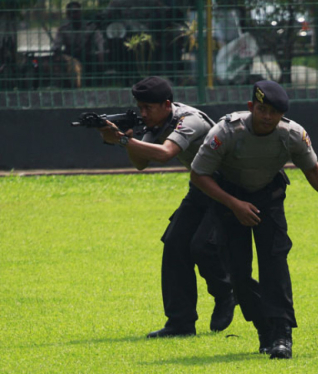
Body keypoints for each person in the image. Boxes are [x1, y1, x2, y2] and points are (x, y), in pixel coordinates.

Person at [190, 80, 318, 359]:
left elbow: (313, 170)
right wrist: (234, 205)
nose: (267, 117)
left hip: (268, 198)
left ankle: (281, 335)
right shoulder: (226, 132)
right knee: (238, 276)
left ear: (282, 114)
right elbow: (198, 175)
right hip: (229, 199)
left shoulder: (292, 134)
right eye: (262, 109)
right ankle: (263, 329)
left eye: (274, 112)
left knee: (274, 265)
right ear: (251, 107)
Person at [98, 76, 235, 338]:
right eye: (140, 107)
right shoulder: (156, 121)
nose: (143, 113)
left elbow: (165, 153)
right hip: (200, 187)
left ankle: (225, 292)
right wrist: (125, 136)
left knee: (201, 246)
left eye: (148, 108)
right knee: (174, 244)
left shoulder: (189, 119)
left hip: (227, 186)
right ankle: (180, 323)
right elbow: (141, 163)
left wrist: (122, 141)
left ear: (167, 104)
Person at [52, 2, 104, 69]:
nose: (74, 15)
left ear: (80, 12)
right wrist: (57, 51)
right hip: (70, 60)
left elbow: (100, 42)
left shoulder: (91, 27)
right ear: (68, 15)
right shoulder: (63, 29)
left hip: (88, 59)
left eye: (76, 12)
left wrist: (101, 53)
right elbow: (57, 44)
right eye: (70, 13)